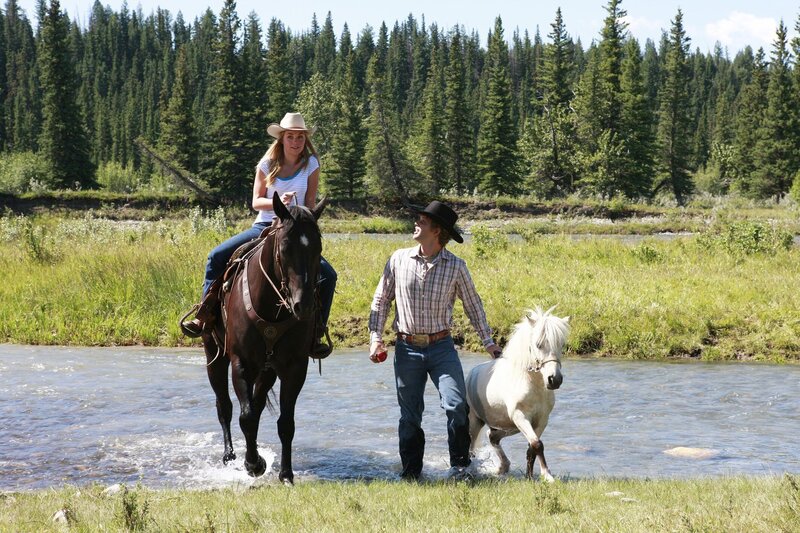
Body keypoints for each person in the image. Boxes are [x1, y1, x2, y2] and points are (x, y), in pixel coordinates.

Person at [181, 112, 336, 358]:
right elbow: (256, 201)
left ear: (305, 140)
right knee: (215, 257)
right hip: (264, 225)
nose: (295, 142)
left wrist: (296, 212)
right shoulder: (266, 165)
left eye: (300, 137)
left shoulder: (311, 164)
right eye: (290, 137)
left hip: (295, 230)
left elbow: (309, 202)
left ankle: (317, 330)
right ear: (282, 138)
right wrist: (278, 204)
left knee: (328, 275)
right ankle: (204, 315)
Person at [368, 200, 501, 481]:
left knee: (455, 406)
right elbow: (381, 301)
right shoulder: (397, 259)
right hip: (406, 348)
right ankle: (411, 473)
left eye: (423, 221)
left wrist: (488, 342)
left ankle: (460, 468)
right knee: (410, 415)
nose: (416, 223)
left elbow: (473, 305)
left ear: (437, 231)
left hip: (442, 347)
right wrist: (375, 338)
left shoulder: (456, 266)